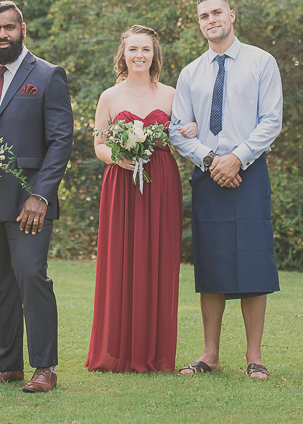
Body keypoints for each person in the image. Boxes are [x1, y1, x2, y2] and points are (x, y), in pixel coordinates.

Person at [169, 0, 282, 379]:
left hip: (249, 171)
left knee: (253, 260)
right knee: (211, 262)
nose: (211, 19)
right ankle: (210, 355)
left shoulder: (261, 62)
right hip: (208, 173)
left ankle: (255, 357)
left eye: (217, 12)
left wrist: (238, 157)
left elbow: (271, 120)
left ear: (232, 14)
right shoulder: (190, 73)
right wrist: (210, 159)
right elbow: (176, 129)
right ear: (199, 23)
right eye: (204, 15)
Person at [0, 1, 73, 393]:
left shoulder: (47, 75)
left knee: (31, 275)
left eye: (9, 27)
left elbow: (61, 141)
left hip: (30, 202)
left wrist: (41, 196)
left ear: (22, 29)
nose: (3, 35)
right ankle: (7, 364)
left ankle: (44, 367)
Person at [85, 25, 187, 373]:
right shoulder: (109, 96)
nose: (139, 55)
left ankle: (155, 353)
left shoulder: (172, 94)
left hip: (161, 181)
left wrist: (191, 129)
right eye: (133, 50)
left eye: (146, 49)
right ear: (123, 54)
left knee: (158, 259)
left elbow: (186, 133)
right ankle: (116, 351)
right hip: (122, 182)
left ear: (155, 54)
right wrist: (116, 156)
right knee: (120, 260)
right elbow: (98, 143)